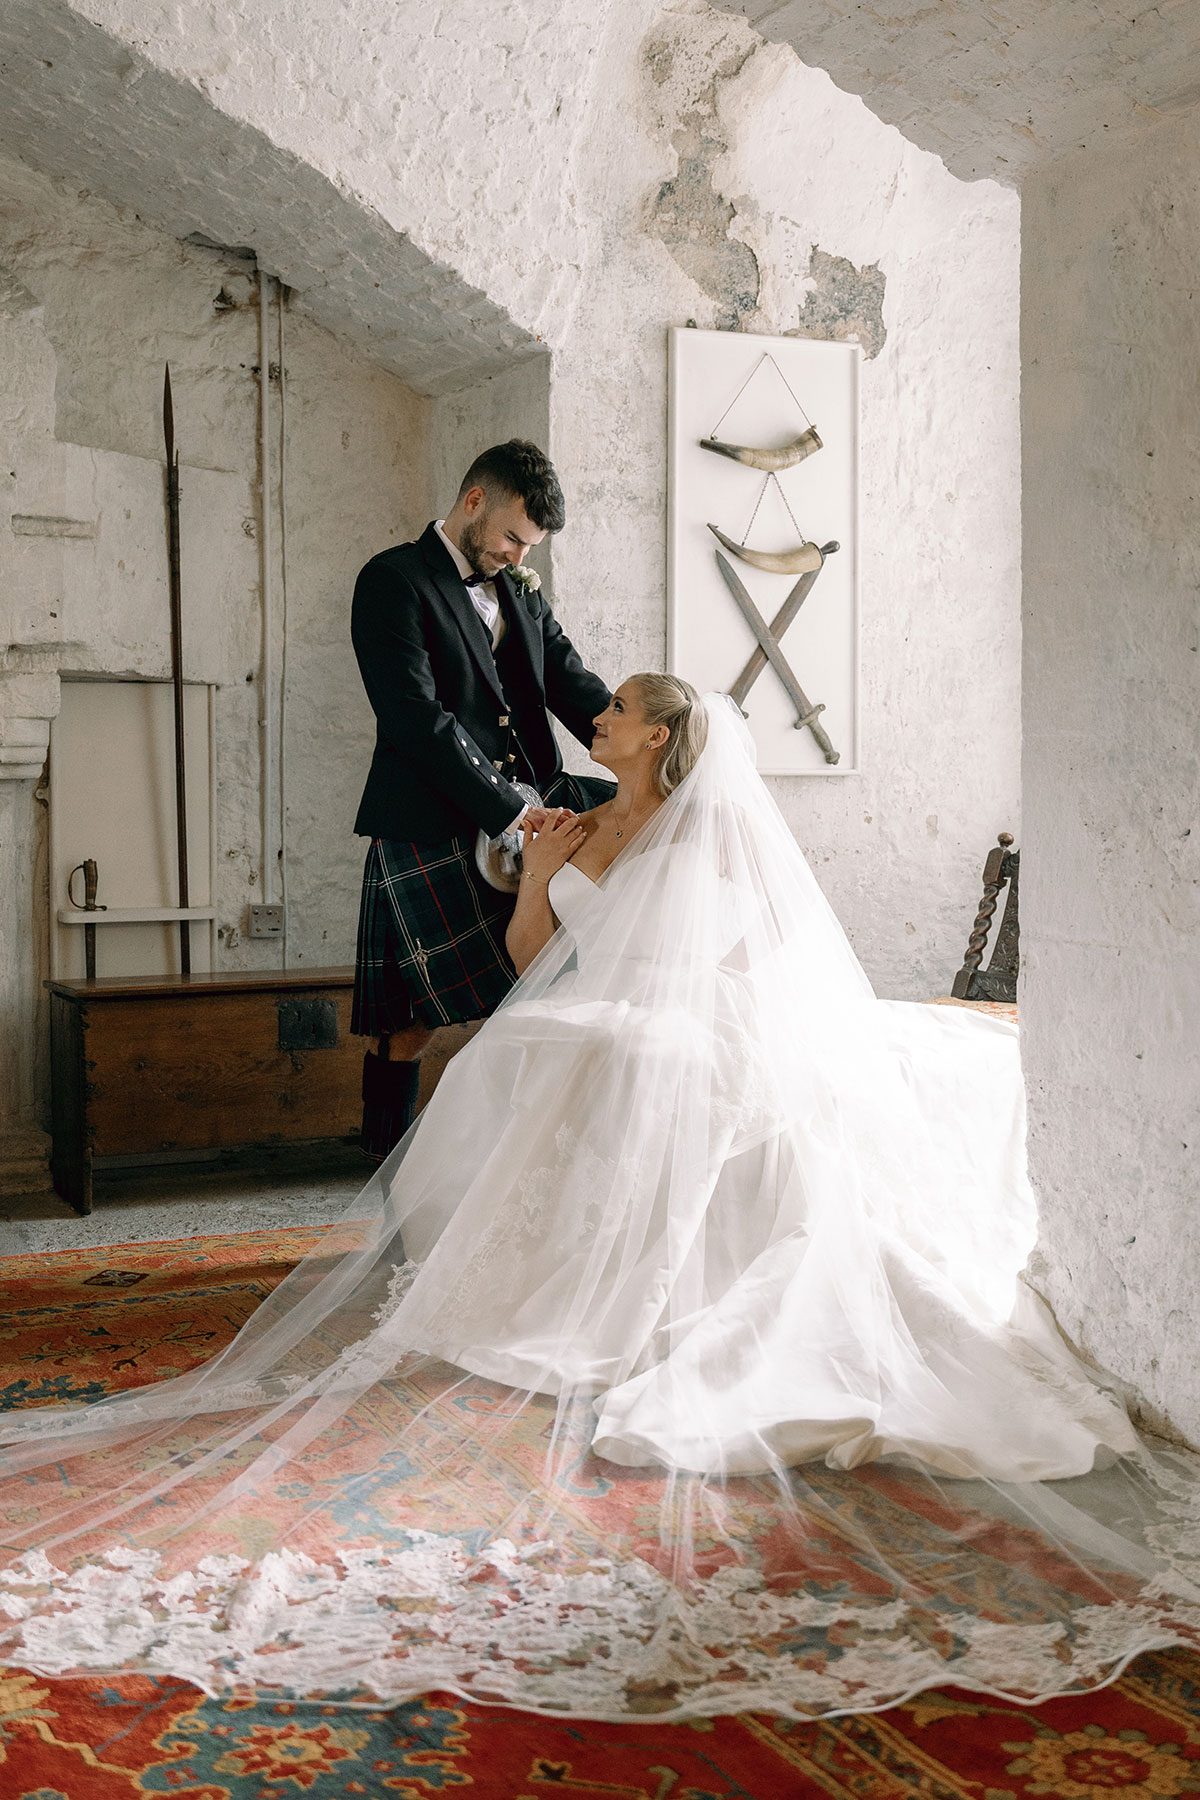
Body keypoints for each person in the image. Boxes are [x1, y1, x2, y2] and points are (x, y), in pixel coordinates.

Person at [2, 677, 1198, 1719]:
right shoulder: (578, 823)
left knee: (612, 1058)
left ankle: (616, 1279)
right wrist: (541, 871)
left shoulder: (707, 834)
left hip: (695, 1018)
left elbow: (726, 970)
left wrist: (647, 997)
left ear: (666, 736)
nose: (600, 714)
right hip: (588, 1003)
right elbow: (535, 960)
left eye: (620, 706)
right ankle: (509, 1272)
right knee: (499, 1054)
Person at [350, 438, 613, 1158]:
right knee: (408, 1024)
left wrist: (655, 738)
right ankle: (380, 1175)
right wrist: (507, 810)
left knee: (543, 991)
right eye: (510, 538)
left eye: (530, 547)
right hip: (434, 820)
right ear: (474, 502)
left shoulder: (521, 588)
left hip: (532, 810)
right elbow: (416, 719)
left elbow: (571, 682)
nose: (518, 558)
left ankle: (523, 1168)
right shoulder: (392, 581)